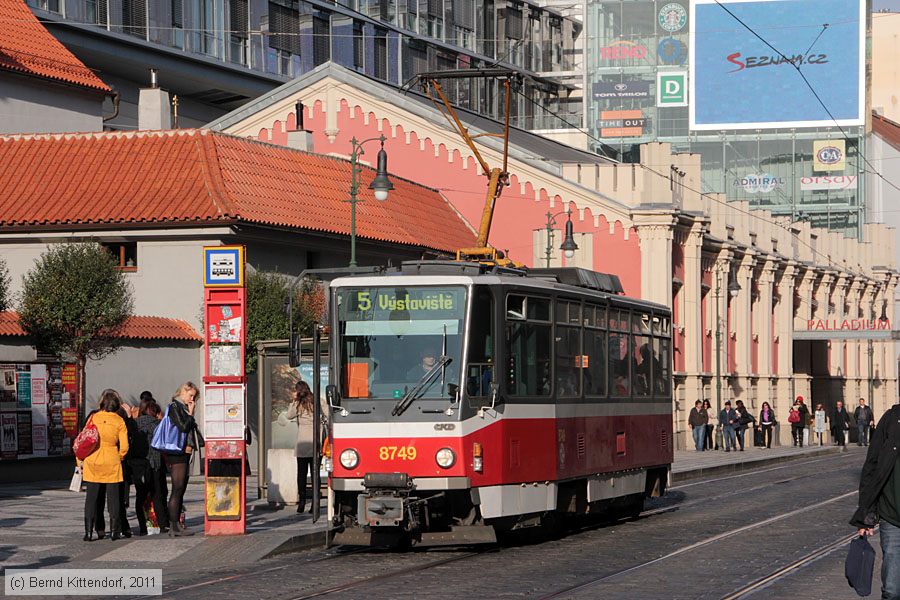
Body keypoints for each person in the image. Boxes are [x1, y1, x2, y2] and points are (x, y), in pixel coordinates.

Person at [851, 402, 900, 598]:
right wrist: (866, 513)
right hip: (893, 516)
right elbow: (871, 466)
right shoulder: (891, 419)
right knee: (892, 589)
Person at [78, 389, 129, 541]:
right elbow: (125, 446)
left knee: (91, 499)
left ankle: (88, 532)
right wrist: (119, 456)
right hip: (112, 459)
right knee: (113, 499)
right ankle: (114, 531)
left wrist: (80, 460)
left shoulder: (93, 418)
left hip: (93, 459)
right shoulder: (119, 421)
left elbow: (84, 439)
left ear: (101, 403)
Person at [163, 382, 200, 536]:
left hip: (184, 452)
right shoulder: (175, 406)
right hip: (177, 452)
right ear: (183, 392)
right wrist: (191, 414)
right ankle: (173, 526)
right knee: (177, 489)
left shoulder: (182, 407)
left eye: (194, 396)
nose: (192, 399)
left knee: (181, 489)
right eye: (190, 395)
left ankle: (177, 524)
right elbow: (183, 427)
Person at [134, 392, 168, 535]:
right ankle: (162, 524)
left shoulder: (135, 424)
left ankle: (142, 526)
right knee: (158, 495)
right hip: (156, 464)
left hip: (140, 465)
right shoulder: (158, 425)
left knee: (140, 496)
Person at [287, 381, 319, 514]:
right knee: (315, 474)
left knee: (301, 474)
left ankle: (302, 502)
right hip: (315, 442)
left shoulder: (298, 404)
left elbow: (289, 415)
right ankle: (315, 504)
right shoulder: (317, 400)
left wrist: (293, 401)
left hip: (302, 443)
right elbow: (327, 415)